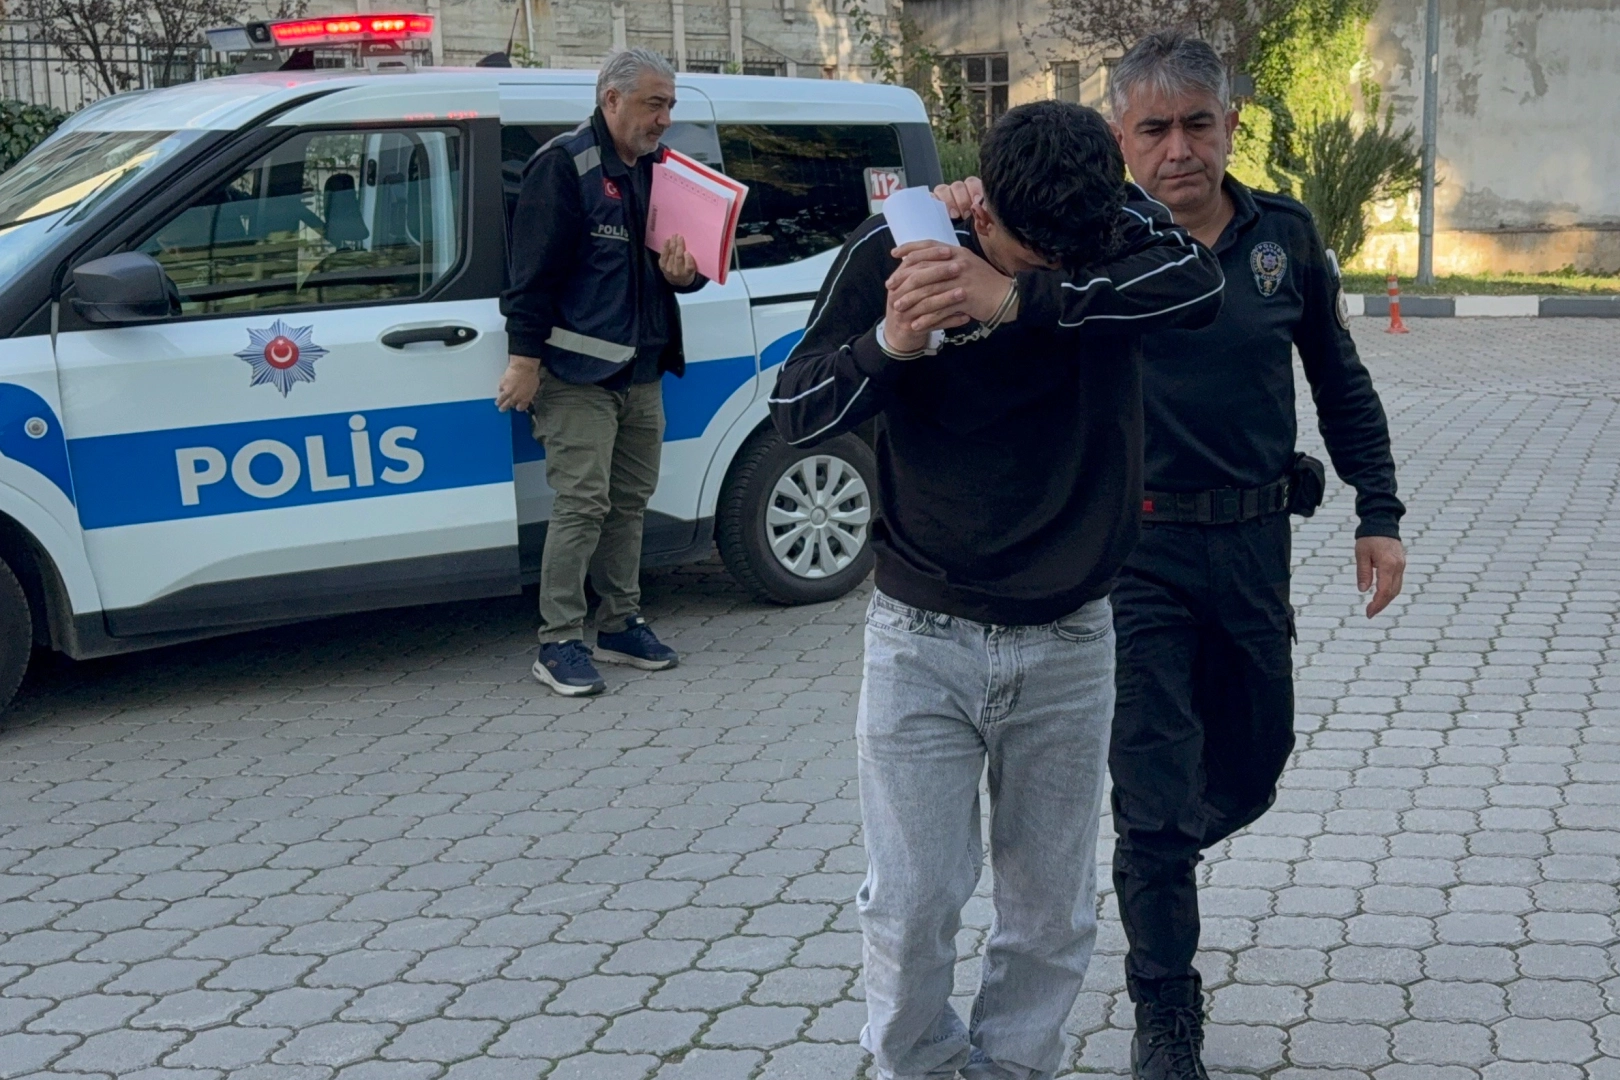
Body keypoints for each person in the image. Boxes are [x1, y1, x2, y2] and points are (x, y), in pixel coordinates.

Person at [935, 31, 1408, 1080]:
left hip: (1253, 544)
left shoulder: (1285, 236)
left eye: (1198, 124)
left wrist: (1378, 510)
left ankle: (1157, 856)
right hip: (1132, 553)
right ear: (1121, 138)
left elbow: (1340, 379)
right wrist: (964, 202)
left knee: (1254, 762)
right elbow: (988, 275)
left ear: (1231, 125)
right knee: (1152, 794)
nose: (1179, 149)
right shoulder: (1088, 243)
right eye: (1154, 129)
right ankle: (1165, 1008)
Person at [772, 101, 1224, 1080]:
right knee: (913, 902)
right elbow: (794, 409)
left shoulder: (1112, 231)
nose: (1052, 268)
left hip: (1071, 637)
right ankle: (920, 1067)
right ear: (980, 211)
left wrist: (1017, 299)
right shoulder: (899, 249)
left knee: (1048, 914)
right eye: (1028, 255)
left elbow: (1199, 287)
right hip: (921, 636)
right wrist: (891, 343)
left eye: (1071, 258)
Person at [498, 48, 705, 697]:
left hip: (642, 370)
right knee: (583, 504)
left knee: (629, 503)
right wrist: (524, 361)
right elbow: (530, 276)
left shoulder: (663, 171)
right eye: (654, 104)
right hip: (576, 374)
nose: (665, 118)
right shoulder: (564, 165)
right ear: (611, 99)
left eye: (670, 105)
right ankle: (559, 640)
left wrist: (686, 276)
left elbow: (689, 265)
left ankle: (619, 624)